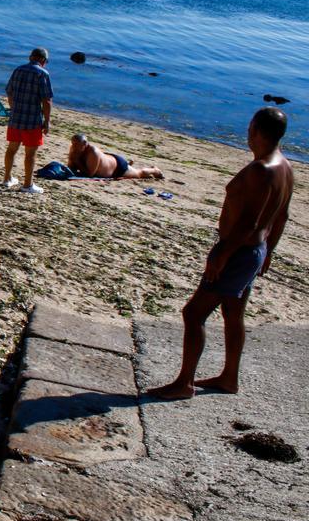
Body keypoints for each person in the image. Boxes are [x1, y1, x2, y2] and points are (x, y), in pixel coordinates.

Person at [148, 108, 293, 400]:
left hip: (239, 252)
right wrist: (268, 253)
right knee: (233, 312)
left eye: (250, 126)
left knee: (193, 313)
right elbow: (282, 216)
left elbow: (249, 222)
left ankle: (184, 383)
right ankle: (229, 377)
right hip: (255, 250)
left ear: (256, 130)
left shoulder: (261, 170)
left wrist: (220, 253)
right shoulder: (286, 168)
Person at [2, 48, 53, 194]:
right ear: (43, 60)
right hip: (32, 119)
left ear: (31, 57)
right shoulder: (42, 73)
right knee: (30, 153)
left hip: (16, 118)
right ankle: (27, 184)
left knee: (12, 149)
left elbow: (9, 91)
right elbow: (47, 100)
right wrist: (47, 121)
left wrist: (14, 108)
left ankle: (7, 179)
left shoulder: (18, 70)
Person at [67, 135, 164, 179]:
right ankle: (129, 165)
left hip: (117, 167)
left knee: (139, 173)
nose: (74, 147)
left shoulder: (93, 152)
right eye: (73, 144)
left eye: (77, 145)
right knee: (133, 170)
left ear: (85, 144)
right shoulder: (74, 149)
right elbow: (71, 168)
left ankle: (155, 170)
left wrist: (77, 160)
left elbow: (90, 174)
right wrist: (73, 160)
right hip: (109, 160)